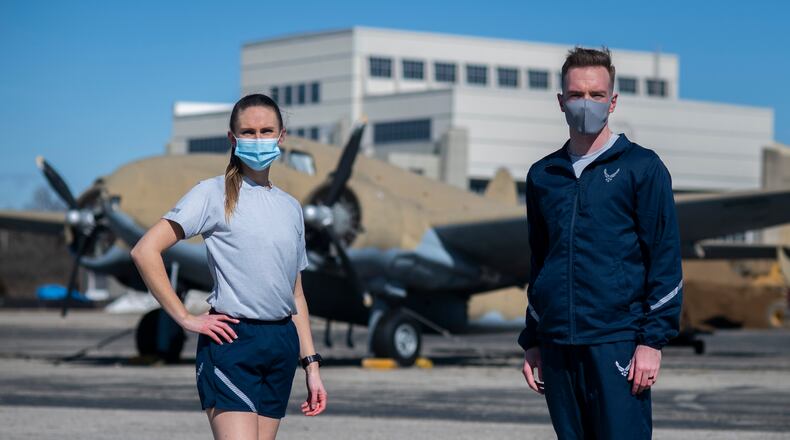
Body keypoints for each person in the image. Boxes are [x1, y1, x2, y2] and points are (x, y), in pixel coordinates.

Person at [131, 93, 327, 439]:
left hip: (281, 345)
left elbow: (295, 294)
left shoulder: (291, 208)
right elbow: (145, 251)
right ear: (232, 139)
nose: (258, 139)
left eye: (266, 131)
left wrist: (311, 364)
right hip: (233, 340)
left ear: (281, 137)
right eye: (248, 132)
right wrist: (185, 317)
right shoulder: (211, 194)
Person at [518, 47, 682, 439]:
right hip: (558, 346)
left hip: (616, 343)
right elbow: (541, 263)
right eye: (576, 95)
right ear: (561, 102)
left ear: (613, 101)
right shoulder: (544, 176)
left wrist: (651, 342)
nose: (586, 103)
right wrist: (533, 339)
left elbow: (664, 259)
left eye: (596, 95)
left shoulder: (642, 168)